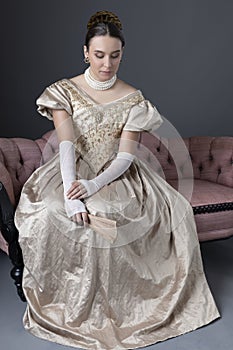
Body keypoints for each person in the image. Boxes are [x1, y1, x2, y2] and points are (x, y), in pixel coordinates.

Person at [15, 10, 220, 350]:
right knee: (52, 211)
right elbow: (66, 142)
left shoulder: (133, 98)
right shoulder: (63, 92)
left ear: (122, 54)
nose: (107, 64)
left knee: (115, 210)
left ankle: (122, 306)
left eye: (114, 56)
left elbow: (126, 156)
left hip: (118, 173)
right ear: (85, 52)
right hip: (71, 169)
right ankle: (72, 302)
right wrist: (71, 190)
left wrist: (94, 186)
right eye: (99, 55)